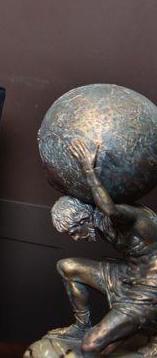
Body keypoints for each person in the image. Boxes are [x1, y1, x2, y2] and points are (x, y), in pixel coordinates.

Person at [46, 139, 157, 356]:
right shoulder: (97, 219)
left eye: (74, 232)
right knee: (67, 266)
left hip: (149, 289)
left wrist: (88, 169)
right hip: (127, 275)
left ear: (83, 221)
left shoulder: (128, 218)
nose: (76, 239)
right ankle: (81, 325)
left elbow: (111, 210)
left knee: (90, 346)